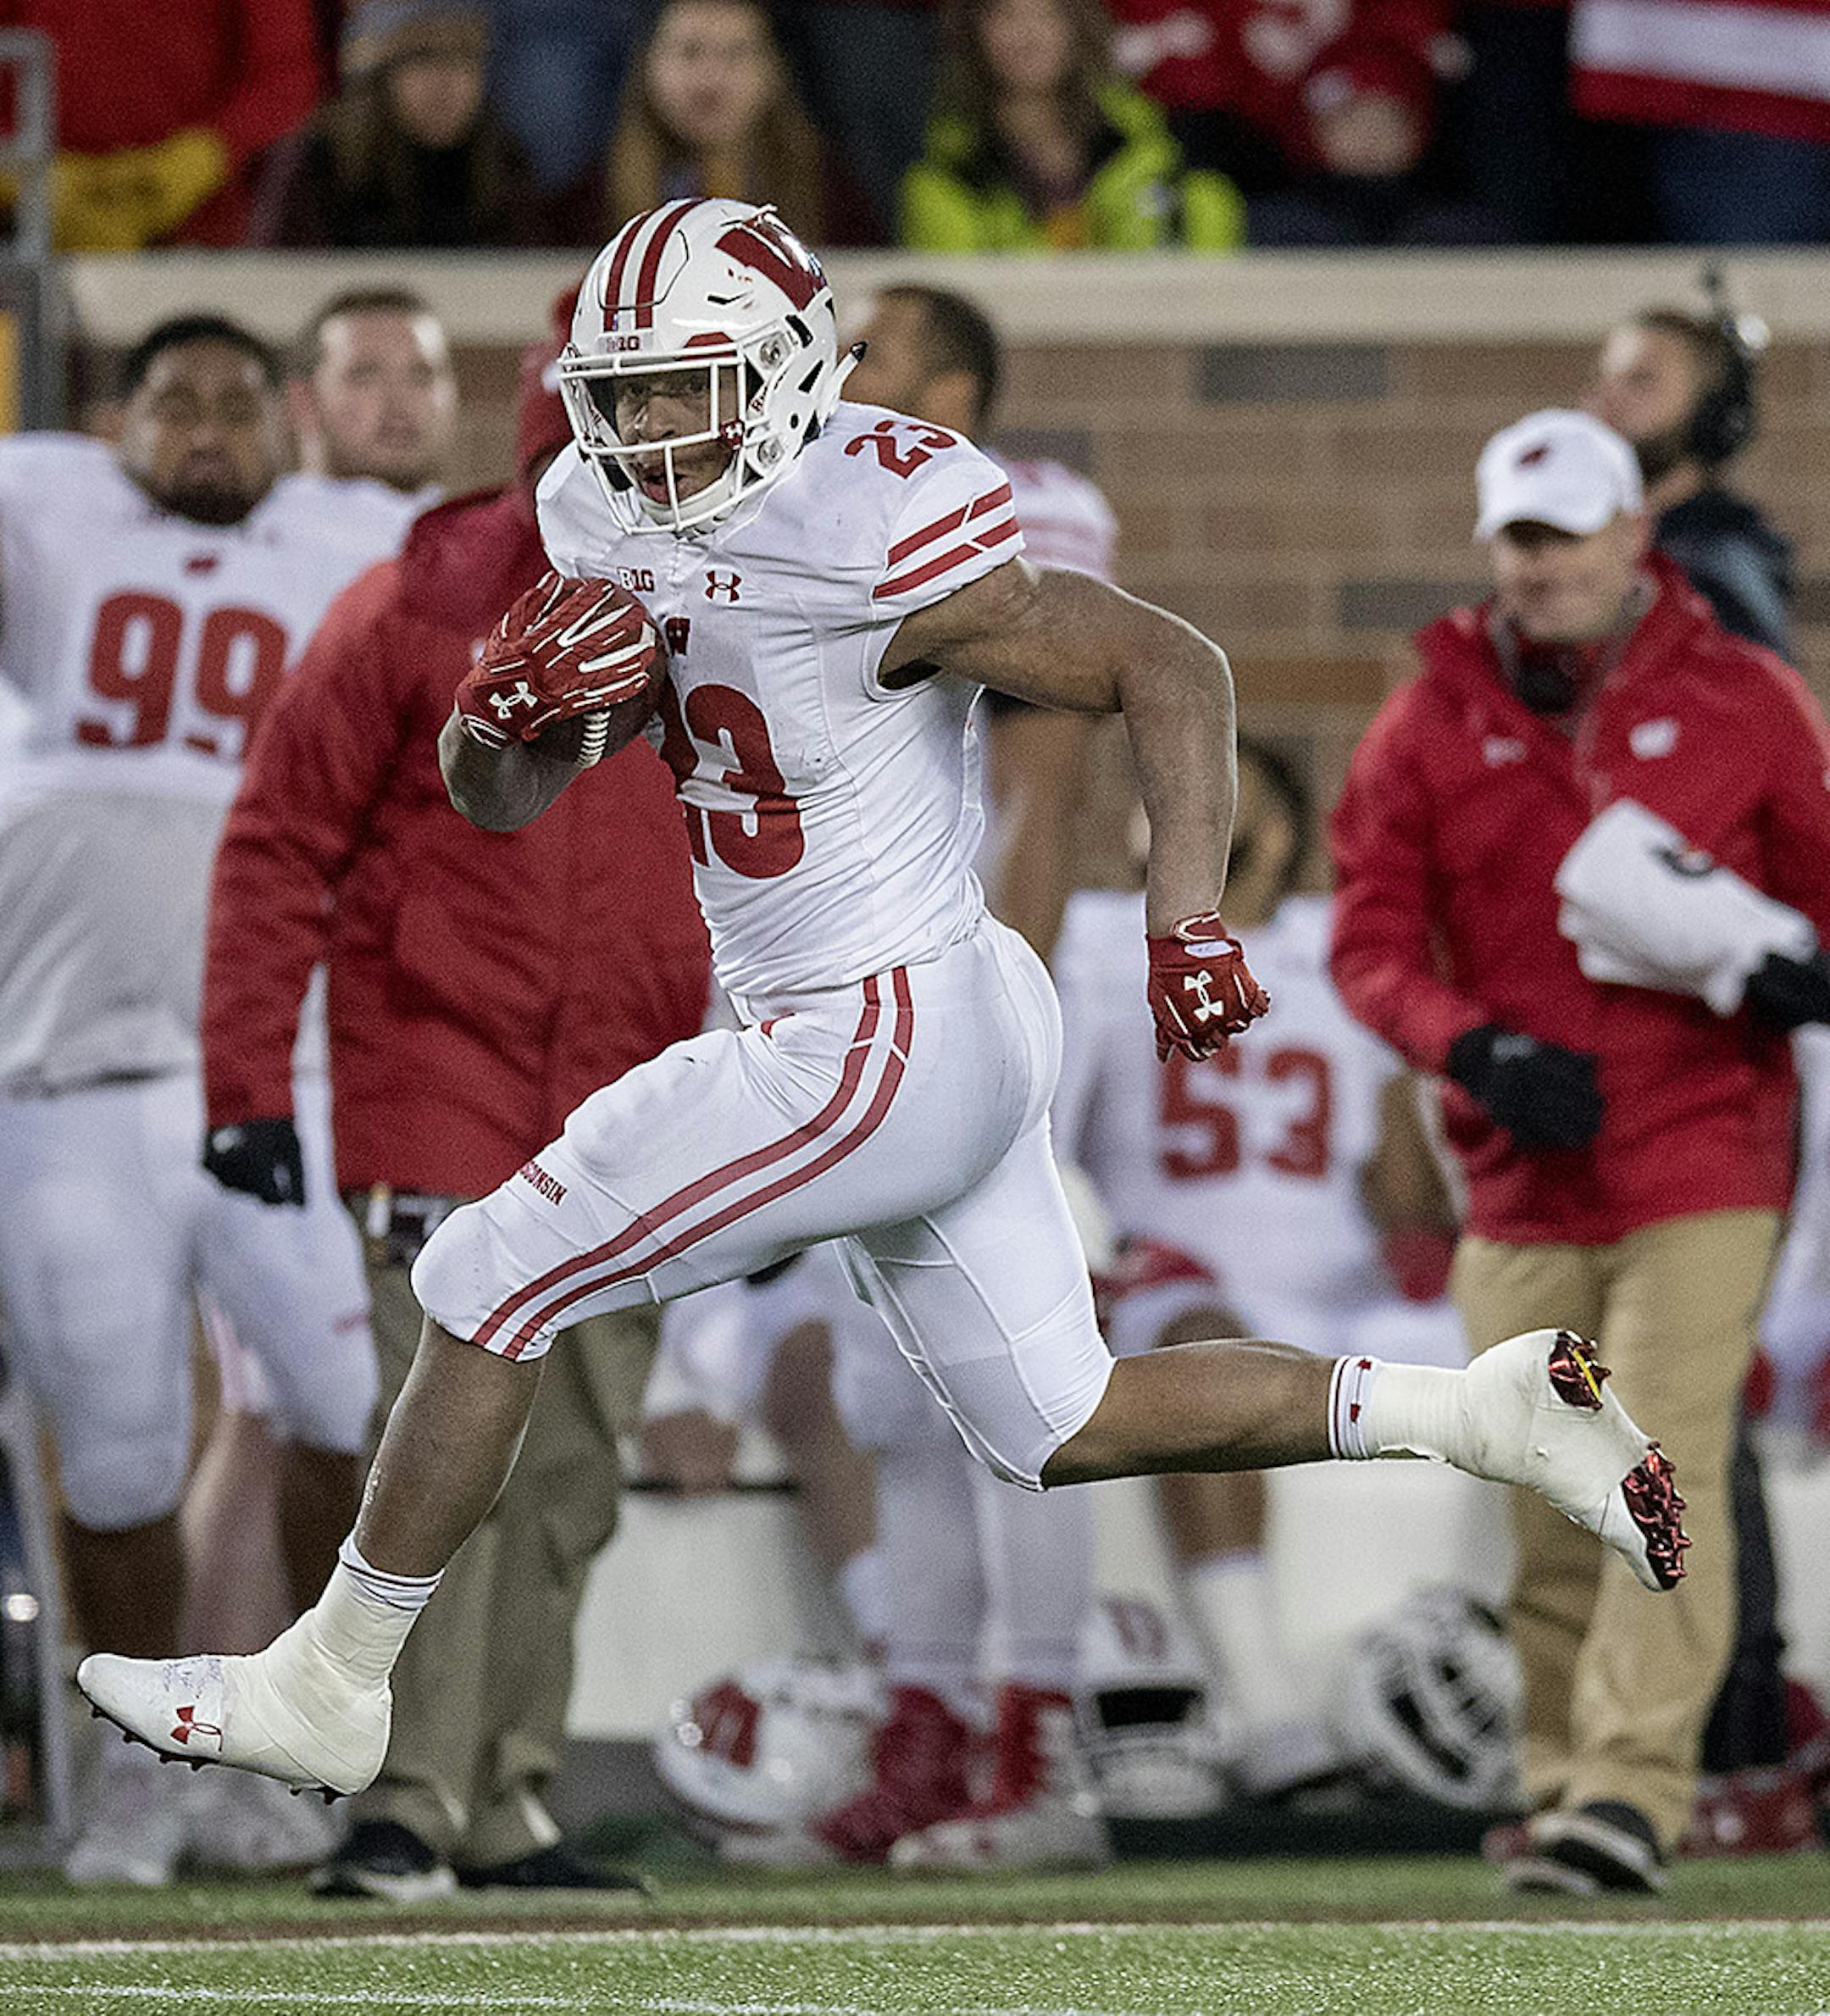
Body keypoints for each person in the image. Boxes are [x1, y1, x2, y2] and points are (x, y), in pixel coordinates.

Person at [78, 202, 1688, 1830]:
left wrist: (1187, 912)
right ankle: (1476, 1409)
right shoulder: (595, 508)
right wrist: (502, 719)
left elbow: (1173, 664)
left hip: (869, 1033)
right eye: (619, 392)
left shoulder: (867, 528)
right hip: (936, 1023)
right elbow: (499, 796)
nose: (640, 430)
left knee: (484, 1270)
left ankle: (333, 1679)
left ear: (780, 375)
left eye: (679, 389)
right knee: (1060, 1421)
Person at [197, 297, 710, 1898]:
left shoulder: (736, 597)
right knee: (440, 1464)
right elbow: (279, 841)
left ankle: (507, 1797)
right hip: (448, 1078)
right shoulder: (417, 596)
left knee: (569, 1477)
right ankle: (405, 1797)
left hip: (650, 1092)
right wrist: (244, 1080)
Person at [1329, 408, 1830, 1893]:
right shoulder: (1425, 722)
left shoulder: (1747, 698)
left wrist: (1802, 967)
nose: (1533, 567)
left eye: (1559, 537)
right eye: (1514, 539)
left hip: (1704, 1147)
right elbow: (1367, 944)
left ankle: (1629, 1787)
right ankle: (1562, 1789)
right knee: (1547, 1489)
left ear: (1631, 539)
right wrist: (1471, 1045)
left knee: (1652, 1452)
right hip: (1518, 1166)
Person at [0, 316, 417, 1884]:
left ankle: (293, 1739)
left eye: (243, 406)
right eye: (179, 405)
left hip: (278, 1070)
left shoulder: (352, 535)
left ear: (290, 422)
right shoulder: (41, 502)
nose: (211, 435)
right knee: (111, 1455)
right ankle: (131, 1766)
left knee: (344, 1412)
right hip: (62, 1077)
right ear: (120, 423)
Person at [1054, 730, 1464, 1798]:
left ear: (1280, 831)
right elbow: (1048, 1149)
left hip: (1342, 1293)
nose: (1189, 820)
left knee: (1533, 1359)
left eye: (1220, 802)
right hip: (1170, 1281)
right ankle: (1272, 1708)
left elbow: (1408, 1193)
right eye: (1170, 799)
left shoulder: (1349, 954)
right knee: (1204, 1350)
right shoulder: (1096, 941)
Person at [1585, 291, 1808, 1852]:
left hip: (1713, 1018)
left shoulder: (1709, 564)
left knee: (1682, 1401)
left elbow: (1725, 789)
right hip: (1633, 1025)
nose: (1613, 395)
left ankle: (1737, 1725)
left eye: (1646, 375)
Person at [902, 0, 1245, 252]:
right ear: (972, 31)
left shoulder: (1143, 153)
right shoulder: (945, 182)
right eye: (1005, 14)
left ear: (1078, 27)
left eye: (1048, 14)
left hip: (1136, 343)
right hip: (1017, 345)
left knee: (1208, 201)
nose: (1028, 35)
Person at [3, 0, 319, 249]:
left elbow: (285, 74)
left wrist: (205, 155)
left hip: (202, 236)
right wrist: (17, 174)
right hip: (20, 229)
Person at [1584, 292, 1792, 659]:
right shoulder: (1609, 547)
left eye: (1641, 380)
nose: (1605, 397)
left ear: (1709, 416)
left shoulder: (1716, 569)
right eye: (1605, 377)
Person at [250, 0, 542, 248]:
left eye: (465, 56)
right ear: (380, 73)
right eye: (423, 56)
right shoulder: (322, 167)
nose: (447, 80)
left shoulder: (507, 167)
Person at [591, 0, 851, 246]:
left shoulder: (832, 193)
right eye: (689, 51)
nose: (711, 78)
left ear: (773, 70)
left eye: (735, 53)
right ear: (647, 63)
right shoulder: (591, 200)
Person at [288, 287, 460, 499]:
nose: (400, 403)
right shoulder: (261, 531)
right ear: (304, 401)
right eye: (365, 377)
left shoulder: (477, 528)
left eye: (421, 376)